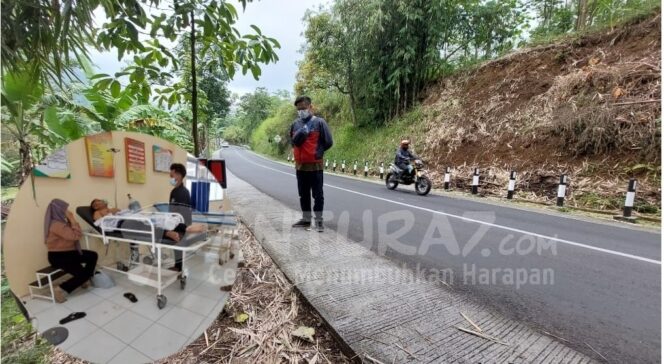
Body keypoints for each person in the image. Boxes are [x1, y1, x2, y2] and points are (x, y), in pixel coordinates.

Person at [289, 95, 333, 232]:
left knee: (318, 195)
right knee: (303, 194)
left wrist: (317, 153)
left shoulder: (319, 122)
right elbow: (293, 142)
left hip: (315, 166)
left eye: (303, 108)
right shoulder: (295, 124)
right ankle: (306, 219)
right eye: (299, 109)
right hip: (300, 167)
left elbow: (328, 142)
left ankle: (319, 221)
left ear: (310, 107)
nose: (301, 111)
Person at [44, 199, 98, 303]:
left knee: (92, 256)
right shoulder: (56, 225)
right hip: (59, 257)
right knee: (84, 274)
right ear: (58, 210)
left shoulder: (62, 223)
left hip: (69, 253)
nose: (68, 211)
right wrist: (72, 218)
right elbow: (75, 236)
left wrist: (71, 220)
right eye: (65, 209)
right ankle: (59, 289)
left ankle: (82, 279)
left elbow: (78, 233)